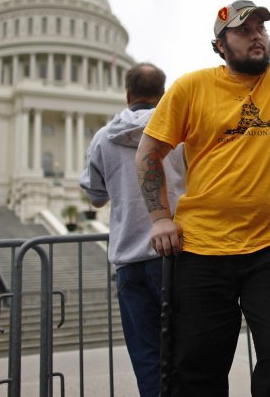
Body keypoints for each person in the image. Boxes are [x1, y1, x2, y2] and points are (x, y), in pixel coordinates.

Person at [136, 0, 270, 396]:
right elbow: (148, 153)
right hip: (201, 249)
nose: (257, 36)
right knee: (199, 364)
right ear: (220, 45)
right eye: (244, 31)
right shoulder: (191, 87)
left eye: (261, 29)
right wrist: (160, 218)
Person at [80, 62, 187, 397]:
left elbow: (95, 198)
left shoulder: (102, 138)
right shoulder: (180, 132)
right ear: (164, 92)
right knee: (187, 357)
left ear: (127, 94)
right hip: (176, 254)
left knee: (147, 360)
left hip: (130, 262)